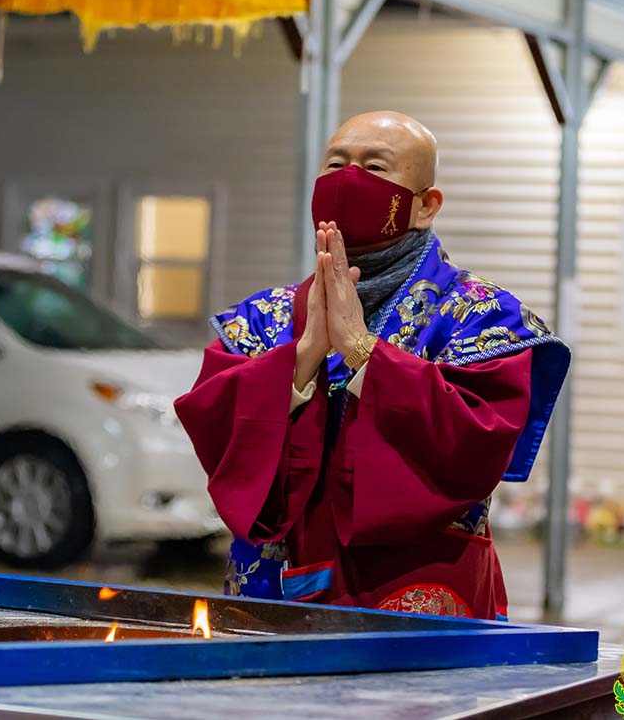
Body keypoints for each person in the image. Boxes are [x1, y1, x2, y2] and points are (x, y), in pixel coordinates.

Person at [175, 111, 569, 620]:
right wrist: (303, 356)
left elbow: (476, 442)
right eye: (335, 164)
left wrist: (363, 350)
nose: (348, 179)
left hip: (413, 588)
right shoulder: (264, 317)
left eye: (375, 167)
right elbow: (216, 429)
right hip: (272, 586)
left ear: (426, 205)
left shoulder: (479, 315)